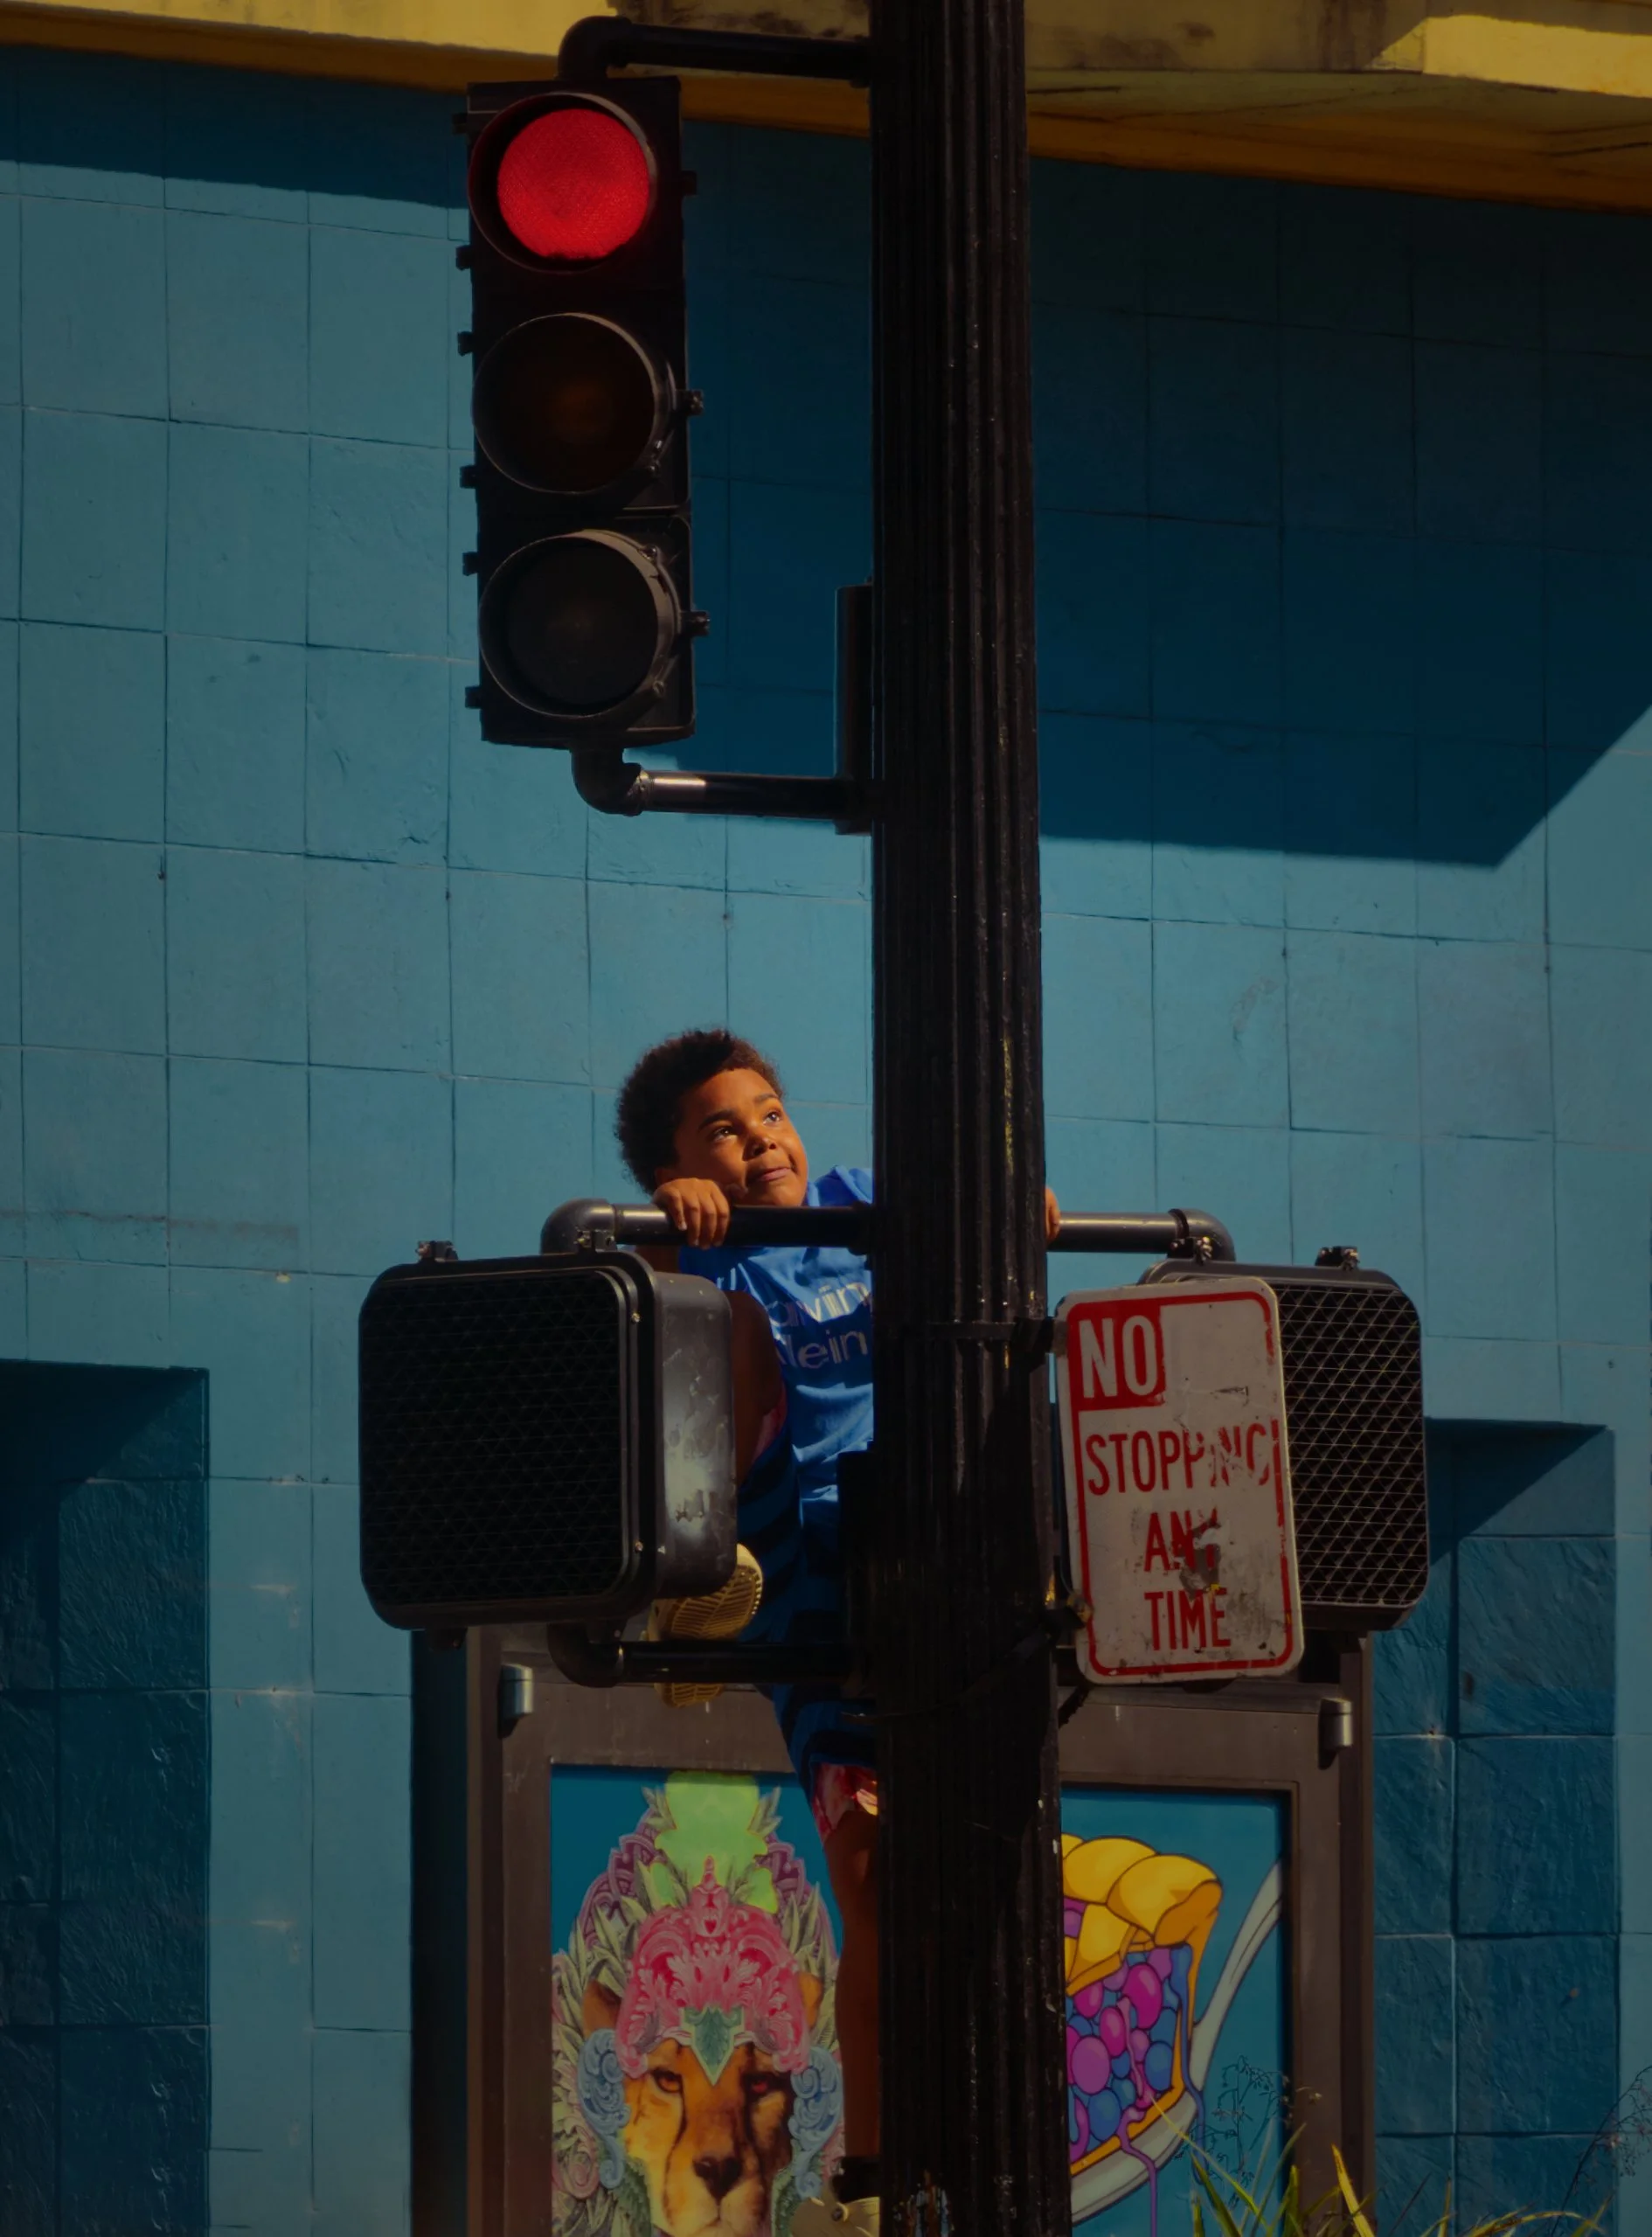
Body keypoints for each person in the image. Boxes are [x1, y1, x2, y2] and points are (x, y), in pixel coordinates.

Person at [614, 1028, 1059, 2236]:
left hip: (937, 1536)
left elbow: (1002, 1212)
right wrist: (675, 1218)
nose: (760, 1138)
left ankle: (972, 2145)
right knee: (871, 1871)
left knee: (971, 1865)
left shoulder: (866, 1205)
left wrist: (1018, 1211)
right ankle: (869, 2176)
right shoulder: (718, 1249)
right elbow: (648, 1267)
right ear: (680, 1164)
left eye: (767, 1113)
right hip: (811, 1549)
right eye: (722, 1129)